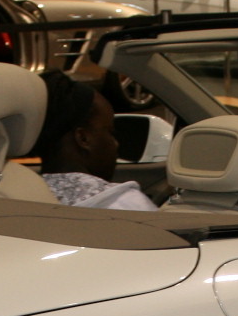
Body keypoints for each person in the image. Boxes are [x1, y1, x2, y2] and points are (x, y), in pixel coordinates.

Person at [35, 70, 157, 211]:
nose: (116, 144)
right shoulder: (125, 203)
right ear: (83, 138)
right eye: (110, 132)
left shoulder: (21, 196)